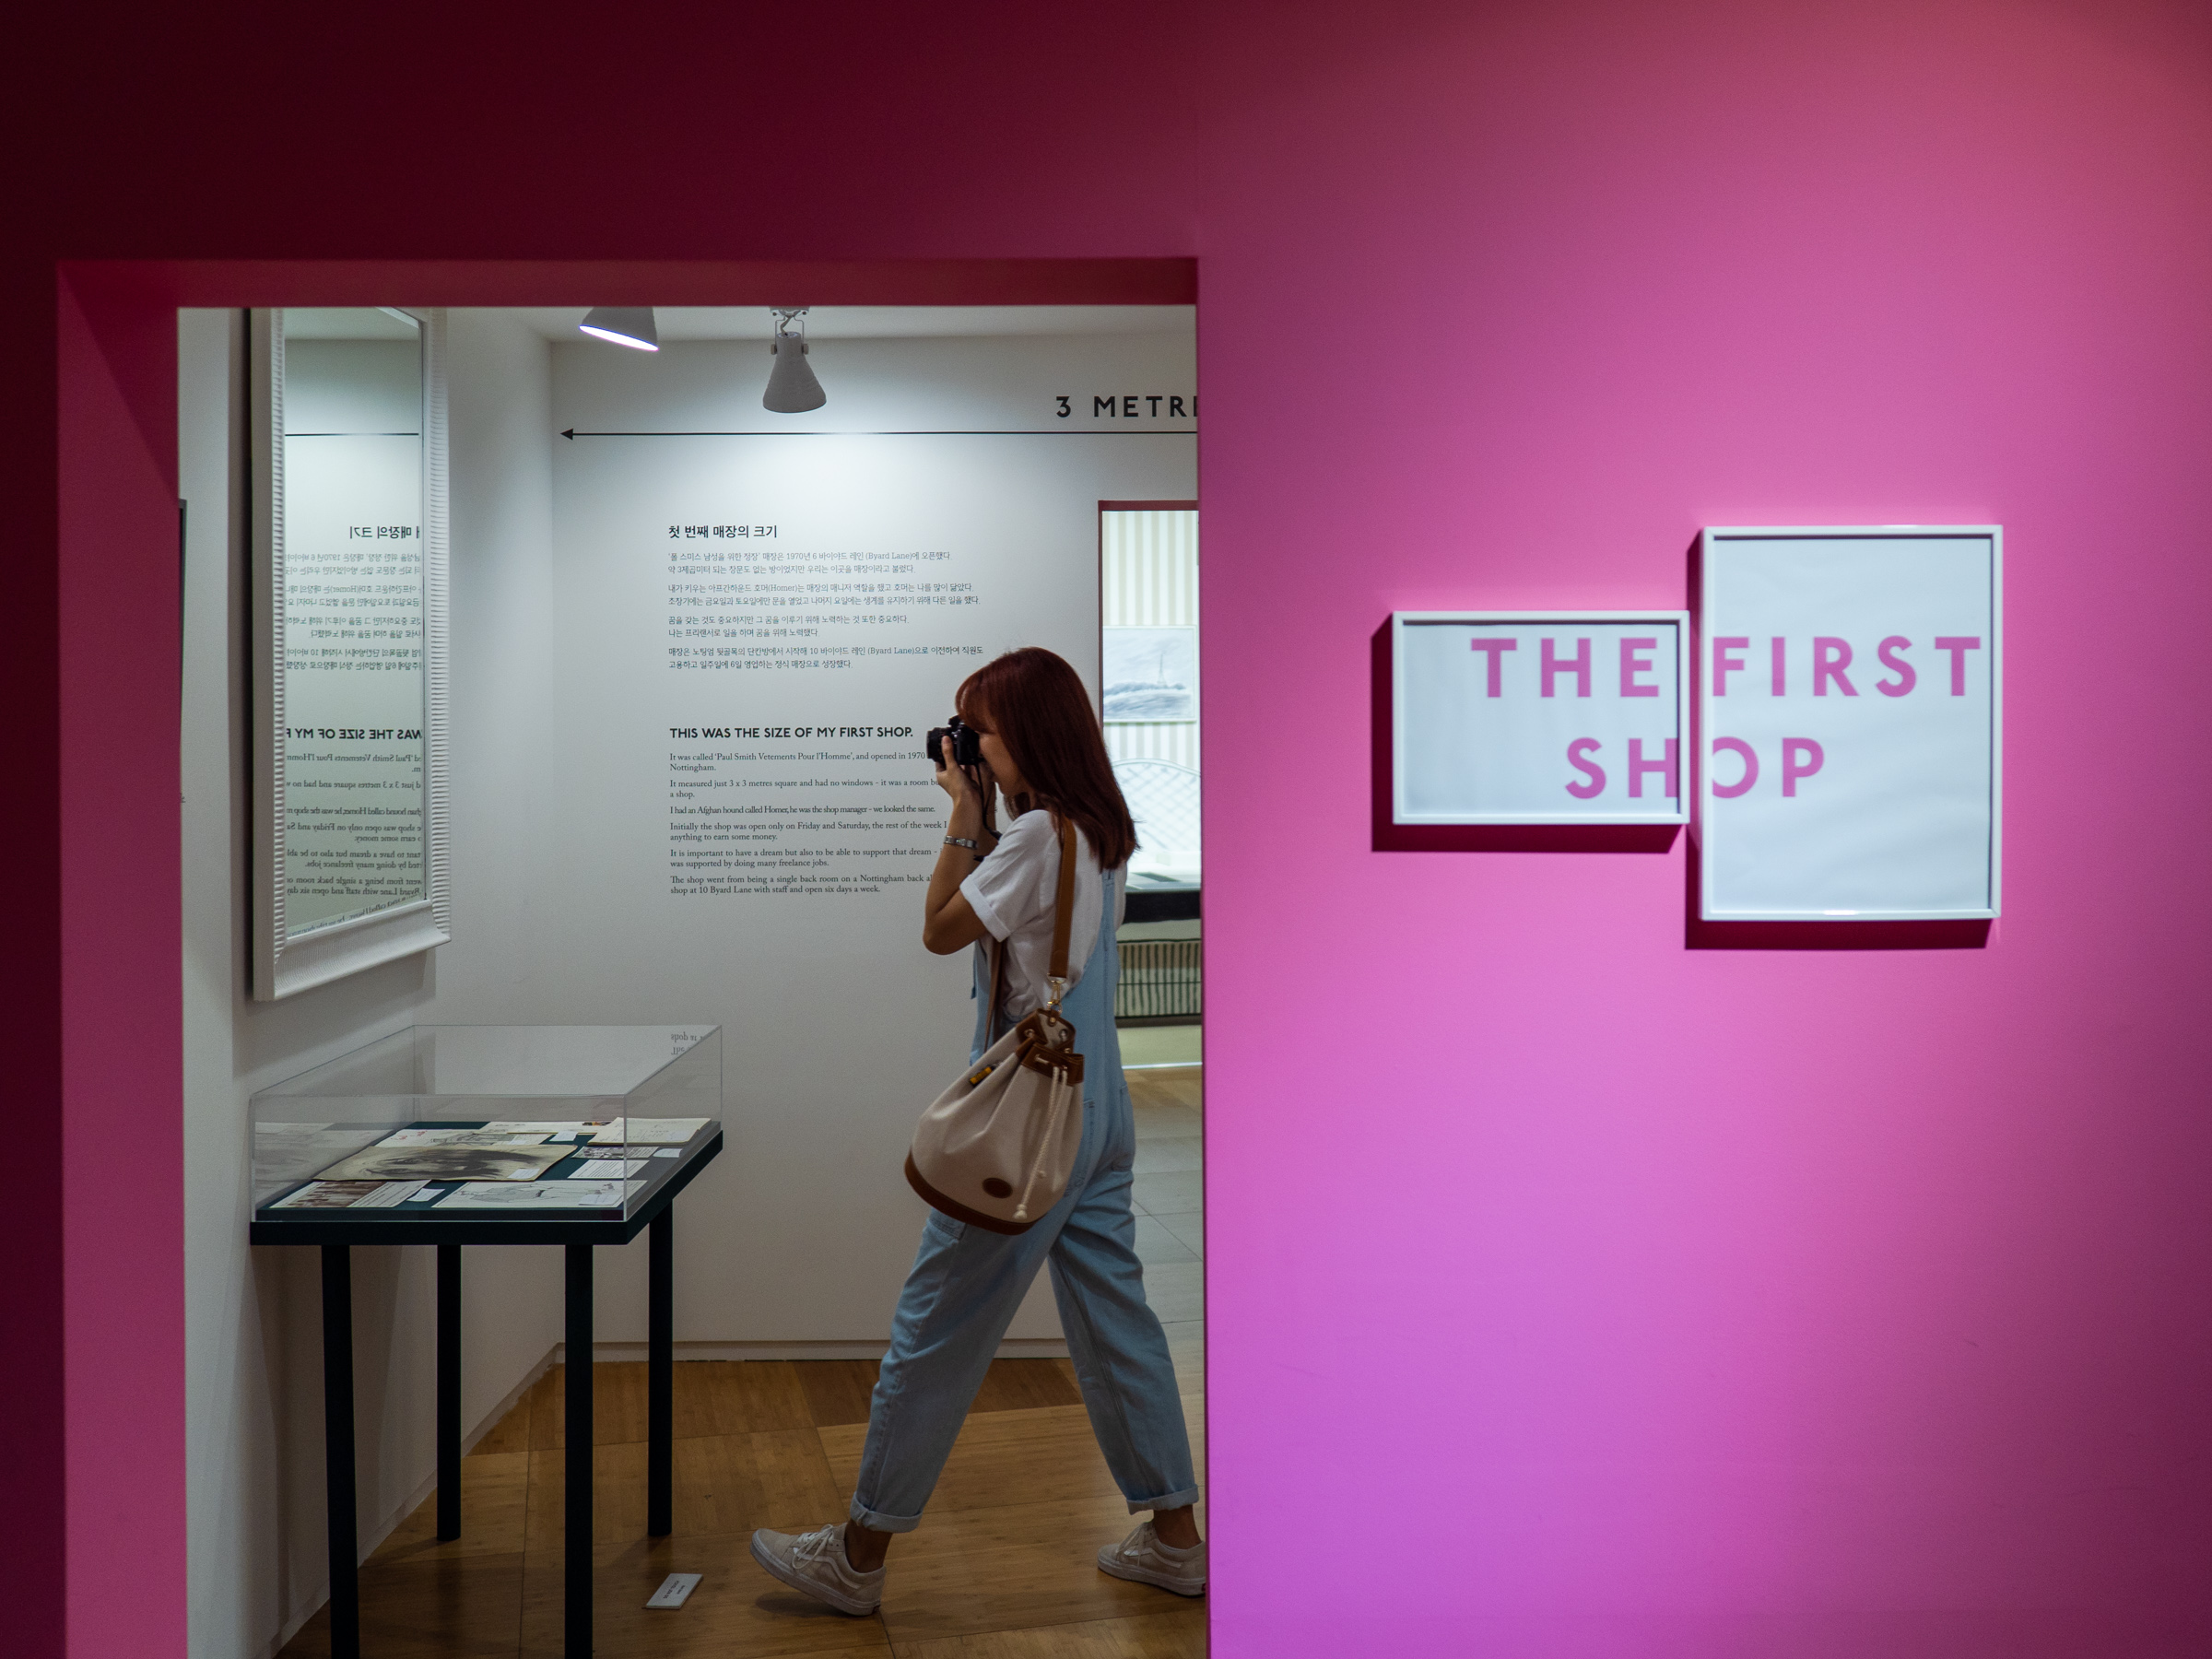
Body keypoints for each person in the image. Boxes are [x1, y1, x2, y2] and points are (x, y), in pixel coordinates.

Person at [750, 646, 1204, 1614]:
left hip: (1030, 1120)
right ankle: (1175, 1538)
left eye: (978, 731)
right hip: (1099, 1101)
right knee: (1117, 1318)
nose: (968, 748)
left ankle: (857, 1557)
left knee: (935, 1327)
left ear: (1025, 735)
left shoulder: (1036, 835)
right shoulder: (1099, 827)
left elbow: (940, 928)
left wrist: (963, 816)